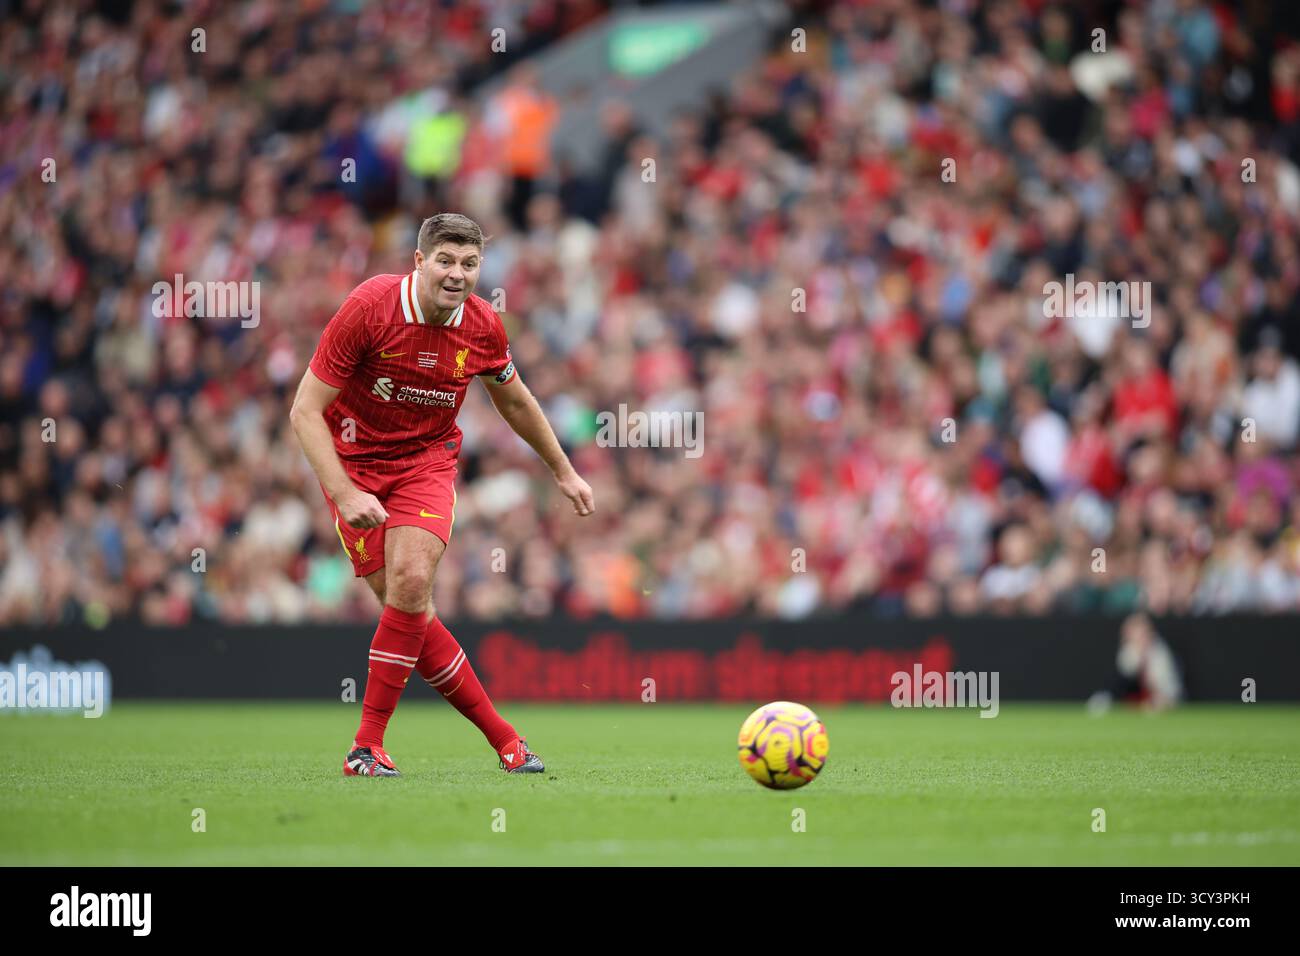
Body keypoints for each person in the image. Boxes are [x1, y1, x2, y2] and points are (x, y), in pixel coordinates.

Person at [289, 212, 595, 776]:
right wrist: (343, 491)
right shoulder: (369, 307)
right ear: (420, 262)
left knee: (410, 582)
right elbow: (305, 410)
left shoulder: (482, 326)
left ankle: (366, 745)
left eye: (471, 263)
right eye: (447, 261)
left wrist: (563, 470)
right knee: (411, 613)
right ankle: (506, 739)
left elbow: (517, 401)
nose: (458, 274)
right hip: (354, 467)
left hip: (426, 464)